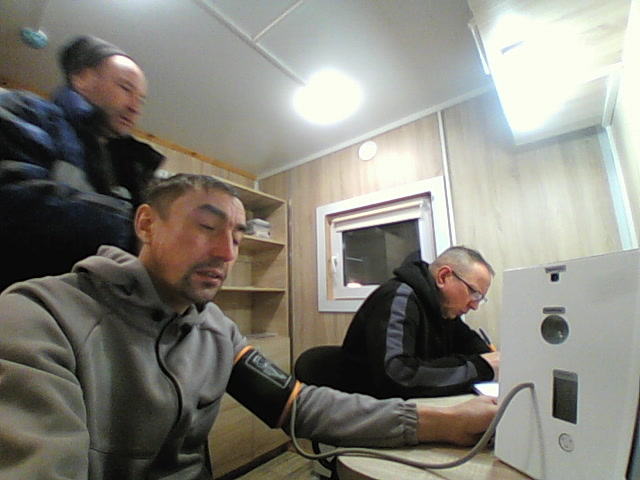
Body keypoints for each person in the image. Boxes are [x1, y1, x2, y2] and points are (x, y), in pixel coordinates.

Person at [0, 174, 497, 479]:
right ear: (146, 224)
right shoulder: (40, 315)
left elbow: (297, 404)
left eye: (237, 237)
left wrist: (442, 422)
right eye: (207, 227)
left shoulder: (215, 330)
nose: (227, 253)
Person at [0, 34, 164, 291]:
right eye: (125, 88)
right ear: (81, 79)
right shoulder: (25, 111)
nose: (135, 107)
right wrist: (132, 229)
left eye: (141, 99)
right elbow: (11, 197)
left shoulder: (130, 165)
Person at [341, 246, 500, 399]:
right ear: (443, 276)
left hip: (407, 406)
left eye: (480, 298)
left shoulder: (444, 308)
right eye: (474, 293)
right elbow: (398, 375)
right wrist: (481, 366)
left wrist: (491, 358)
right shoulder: (398, 298)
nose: (474, 305)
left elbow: (471, 345)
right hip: (369, 408)